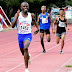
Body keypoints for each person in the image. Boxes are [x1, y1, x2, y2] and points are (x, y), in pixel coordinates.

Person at [12, 2, 39, 72]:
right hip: (20, 35)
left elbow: (34, 21)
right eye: (24, 6)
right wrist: (17, 17)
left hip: (28, 35)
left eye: (27, 6)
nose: (25, 7)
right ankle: (28, 56)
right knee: (22, 51)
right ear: (21, 8)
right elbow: (12, 26)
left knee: (26, 48)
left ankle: (26, 68)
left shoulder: (31, 15)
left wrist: (37, 28)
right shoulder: (18, 15)